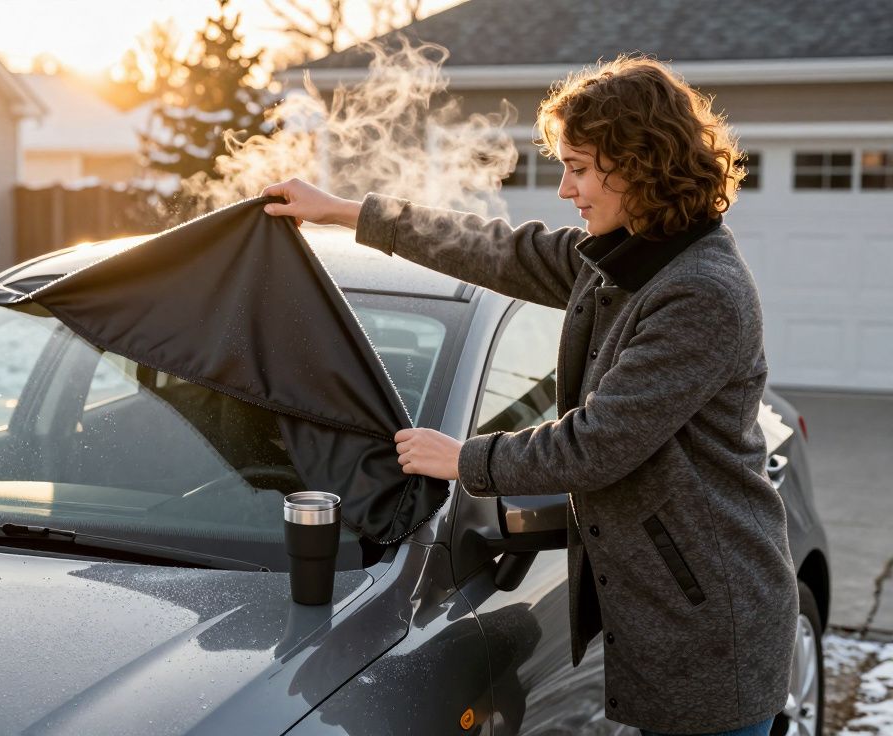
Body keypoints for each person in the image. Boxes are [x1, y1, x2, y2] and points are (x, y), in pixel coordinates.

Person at [261, 55, 799, 736]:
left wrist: (464, 459)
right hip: (668, 614)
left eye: (578, 166)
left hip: (707, 624)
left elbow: (597, 444)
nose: (566, 188)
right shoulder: (627, 257)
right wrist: (344, 212)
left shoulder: (700, 293)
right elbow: (496, 251)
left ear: (639, 162)